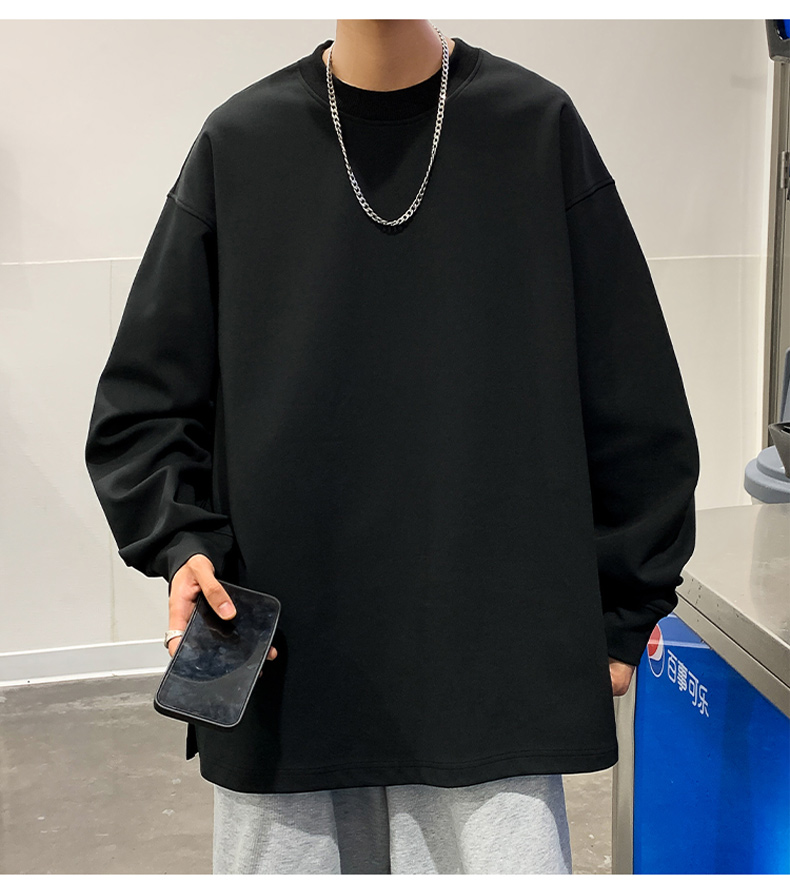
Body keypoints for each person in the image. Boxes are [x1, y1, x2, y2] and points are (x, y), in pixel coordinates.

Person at [84, 19, 699, 874]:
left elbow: (632, 391)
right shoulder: (242, 143)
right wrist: (180, 541)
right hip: (286, 664)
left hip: (490, 667)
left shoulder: (533, 130)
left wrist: (626, 608)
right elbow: (145, 403)